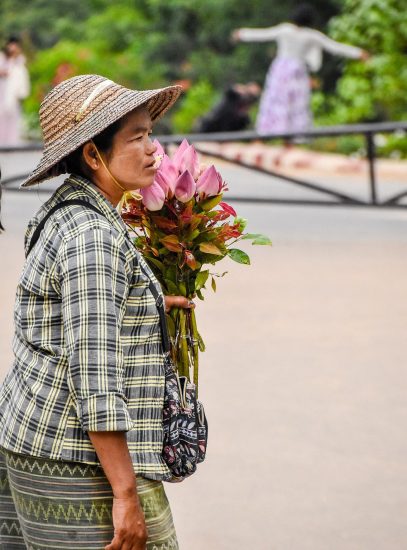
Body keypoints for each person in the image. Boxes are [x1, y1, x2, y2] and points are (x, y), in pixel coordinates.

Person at [0, 74, 191, 549]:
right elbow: (94, 374)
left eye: (151, 134)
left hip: (42, 437)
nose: (154, 150)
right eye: (137, 137)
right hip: (73, 456)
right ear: (92, 154)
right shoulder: (93, 237)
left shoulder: (74, 210)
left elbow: (77, 311)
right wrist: (124, 493)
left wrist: (143, 302)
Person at [232, 4, 368, 135]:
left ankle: (265, 135)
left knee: (275, 102)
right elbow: (334, 47)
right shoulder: (311, 35)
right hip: (298, 72)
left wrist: (241, 34)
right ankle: (290, 140)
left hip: (281, 71)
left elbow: (262, 34)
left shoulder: (285, 30)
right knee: (295, 106)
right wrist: (358, 53)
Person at [0, 36, 30, 145]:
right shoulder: (2, 58)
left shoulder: (20, 61)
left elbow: (21, 76)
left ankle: (11, 143)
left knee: (13, 118)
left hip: (13, 95)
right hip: (2, 92)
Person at [196, 82, 260, 133]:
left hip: (226, 133)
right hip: (212, 126)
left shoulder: (245, 114)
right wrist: (241, 89)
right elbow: (229, 90)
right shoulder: (234, 96)